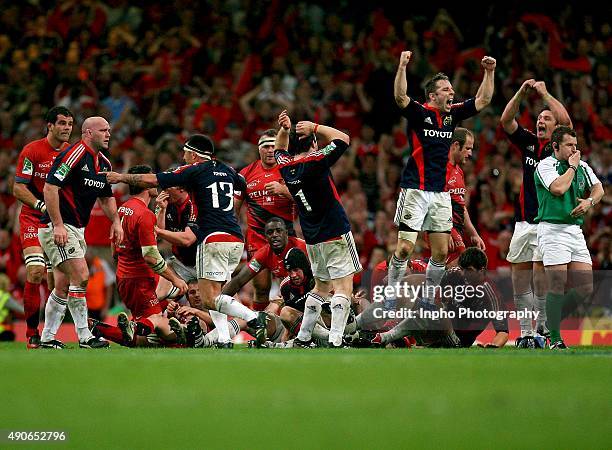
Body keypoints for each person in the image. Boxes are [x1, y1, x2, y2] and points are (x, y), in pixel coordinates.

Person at [104, 134, 268, 348]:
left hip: (212, 239)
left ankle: (254, 318)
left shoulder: (194, 170)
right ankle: (224, 339)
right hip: (236, 238)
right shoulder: (228, 170)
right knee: (217, 293)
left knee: (210, 298)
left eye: (185, 153)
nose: (183, 157)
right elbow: (243, 184)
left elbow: (152, 179)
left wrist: (120, 177)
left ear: (194, 154)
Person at [389, 50, 495, 308]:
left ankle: (427, 300)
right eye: (446, 90)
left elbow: (482, 100)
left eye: (452, 89)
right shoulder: (419, 113)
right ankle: (390, 296)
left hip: (440, 194)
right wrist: (402, 66)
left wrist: (489, 72)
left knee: (440, 252)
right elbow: (400, 96)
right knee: (404, 249)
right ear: (433, 96)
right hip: (414, 189)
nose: (452, 93)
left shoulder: (451, 116)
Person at [275, 110, 361, 348]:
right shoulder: (316, 161)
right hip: (335, 232)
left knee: (321, 287)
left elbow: (278, 150)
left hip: (312, 238)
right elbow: (343, 138)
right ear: (314, 143)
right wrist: (315, 126)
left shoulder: (286, 166)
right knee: (343, 287)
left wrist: (284, 130)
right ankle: (335, 340)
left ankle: (303, 337)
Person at [38, 116, 123, 349]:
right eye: (103, 130)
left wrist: (115, 222)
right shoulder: (73, 155)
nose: (108, 134)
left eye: (109, 130)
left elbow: (106, 198)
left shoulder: (104, 163)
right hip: (60, 227)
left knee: (63, 284)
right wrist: (57, 224)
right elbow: (50, 187)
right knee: (82, 275)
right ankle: (85, 335)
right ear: (87, 133)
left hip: (77, 229)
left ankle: (47, 338)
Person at [500, 80, 573, 346]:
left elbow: (566, 121)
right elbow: (506, 120)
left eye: (546, 118)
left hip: (548, 223)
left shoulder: (559, 150)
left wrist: (544, 93)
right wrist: (520, 92)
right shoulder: (529, 143)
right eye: (539, 117)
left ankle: (541, 329)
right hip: (523, 221)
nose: (541, 121)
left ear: (555, 129)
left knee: (541, 277)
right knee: (519, 277)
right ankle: (526, 333)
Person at [534, 126, 603, 349]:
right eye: (570, 145)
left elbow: (599, 188)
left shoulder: (583, 166)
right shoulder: (545, 166)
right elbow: (558, 189)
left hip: (574, 231)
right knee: (557, 284)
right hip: (552, 230)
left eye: (576, 145)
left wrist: (589, 202)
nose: (575, 150)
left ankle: (547, 323)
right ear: (555, 146)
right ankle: (555, 339)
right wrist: (572, 167)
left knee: (585, 287)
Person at [13, 106, 74, 348]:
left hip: (58, 220)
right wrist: (40, 205)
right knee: (36, 272)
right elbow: (18, 188)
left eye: (69, 124)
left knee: (57, 281)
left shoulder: (72, 153)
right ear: (49, 126)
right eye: (61, 123)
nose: (66, 128)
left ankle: (51, 334)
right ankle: (31, 333)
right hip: (33, 217)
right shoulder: (32, 151)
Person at [372, 247, 509, 349]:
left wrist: (494, 346)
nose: (463, 273)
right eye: (462, 269)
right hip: (435, 331)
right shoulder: (456, 274)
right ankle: (386, 336)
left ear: (482, 270)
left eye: (469, 270)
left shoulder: (491, 293)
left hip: (457, 341)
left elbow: (502, 331)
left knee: (435, 307)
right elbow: (425, 280)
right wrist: (402, 281)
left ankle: (391, 337)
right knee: (405, 296)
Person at [112, 165, 188, 346]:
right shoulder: (143, 214)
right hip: (139, 279)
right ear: (146, 184)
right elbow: (151, 256)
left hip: (124, 275)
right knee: (159, 328)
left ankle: (100, 328)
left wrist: (160, 210)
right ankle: (128, 328)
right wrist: (175, 279)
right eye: (152, 179)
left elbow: (114, 247)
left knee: (150, 329)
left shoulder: (123, 208)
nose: (157, 182)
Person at [235, 129, 296, 310]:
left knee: (291, 286)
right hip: (257, 237)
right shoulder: (245, 174)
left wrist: (283, 190)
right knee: (261, 288)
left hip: (286, 236)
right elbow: (234, 210)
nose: (270, 150)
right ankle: (260, 330)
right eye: (266, 146)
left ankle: (291, 327)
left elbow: (303, 197)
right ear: (259, 149)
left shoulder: (288, 169)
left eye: (273, 146)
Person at [221, 217, 306, 299]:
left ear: (286, 233)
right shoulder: (263, 254)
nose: (275, 235)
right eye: (270, 232)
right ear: (266, 237)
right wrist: (217, 300)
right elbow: (239, 281)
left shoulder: (302, 247)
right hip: (291, 296)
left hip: (311, 291)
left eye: (279, 231)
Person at [444, 127, 485, 265]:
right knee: (465, 264)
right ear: (456, 145)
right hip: (442, 227)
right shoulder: (439, 170)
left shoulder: (459, 172)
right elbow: (431, 203)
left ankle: (413, 280)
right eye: (467, 148)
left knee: (447, 270)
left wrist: (473, 233)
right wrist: (445, 230)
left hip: (457, 228)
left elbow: (461, 206)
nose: (470, 153)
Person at [153, 186, 197, 301]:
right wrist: (162, 210)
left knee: (213, 301)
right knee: (159, 295)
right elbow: (158, 235)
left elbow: (187, 240)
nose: (164, 193)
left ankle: (245, 318)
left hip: (203, 264)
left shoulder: (195, 204)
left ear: (181, 188)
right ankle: (141, 318)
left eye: (167, 189)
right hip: (180, 263)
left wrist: (158, 230)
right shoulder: (166, 204)